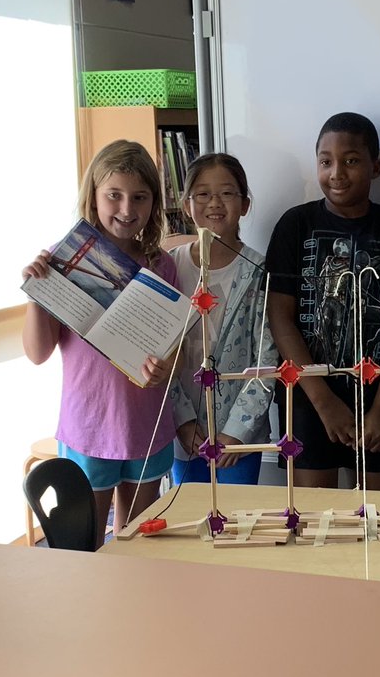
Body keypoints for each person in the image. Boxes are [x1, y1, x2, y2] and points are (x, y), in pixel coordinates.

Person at [22, 140, 177, 547]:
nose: (127, 210)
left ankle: (134, 611)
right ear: (92, 195)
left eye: (139, 197)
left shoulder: (162, 264)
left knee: (138, 544)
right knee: (84, 544)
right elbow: (37, 353)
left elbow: (173, 346)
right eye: (114, 195)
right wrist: (37, 293)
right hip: (89, 425)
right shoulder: (63, 257)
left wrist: (165, 364)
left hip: (146, 424)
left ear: (153, 202)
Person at [266, 112, 380, 489]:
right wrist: (323, 403)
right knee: (314, 517)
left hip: (376, 397)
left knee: (374, 518)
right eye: (325, 161)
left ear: (376, 166)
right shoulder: (294, 225)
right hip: (308, 397)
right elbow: (280, 318)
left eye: (351, 160)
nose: (337, 172)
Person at [168, 153, 277, 484]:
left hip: (239, 442)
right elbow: (159, 352)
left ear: (244, 204)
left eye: (227, 193)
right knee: (186, 517)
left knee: (236, 523)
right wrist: (183, 420)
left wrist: (237, 432)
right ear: (187, 205)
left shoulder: (260, 272)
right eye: (202, 194)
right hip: (183, 433)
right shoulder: (169, 268)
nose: (215, 202)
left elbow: (267, 359)